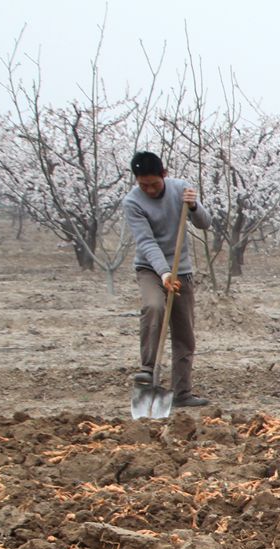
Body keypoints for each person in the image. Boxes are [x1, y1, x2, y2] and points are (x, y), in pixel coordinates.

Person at [123, 151, 213, 407]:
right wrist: (163, 273)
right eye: (143, 185)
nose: (149, 190)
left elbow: (205, 223)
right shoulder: (133, 202)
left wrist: (194, 205)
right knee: (154, 306)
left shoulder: (180, 190)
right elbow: (146, 242)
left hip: (181, 269)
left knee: (184, 332)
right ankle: (148, 371)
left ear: (164, 174)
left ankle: (182, 393)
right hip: (150, 269)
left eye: (154, 183)